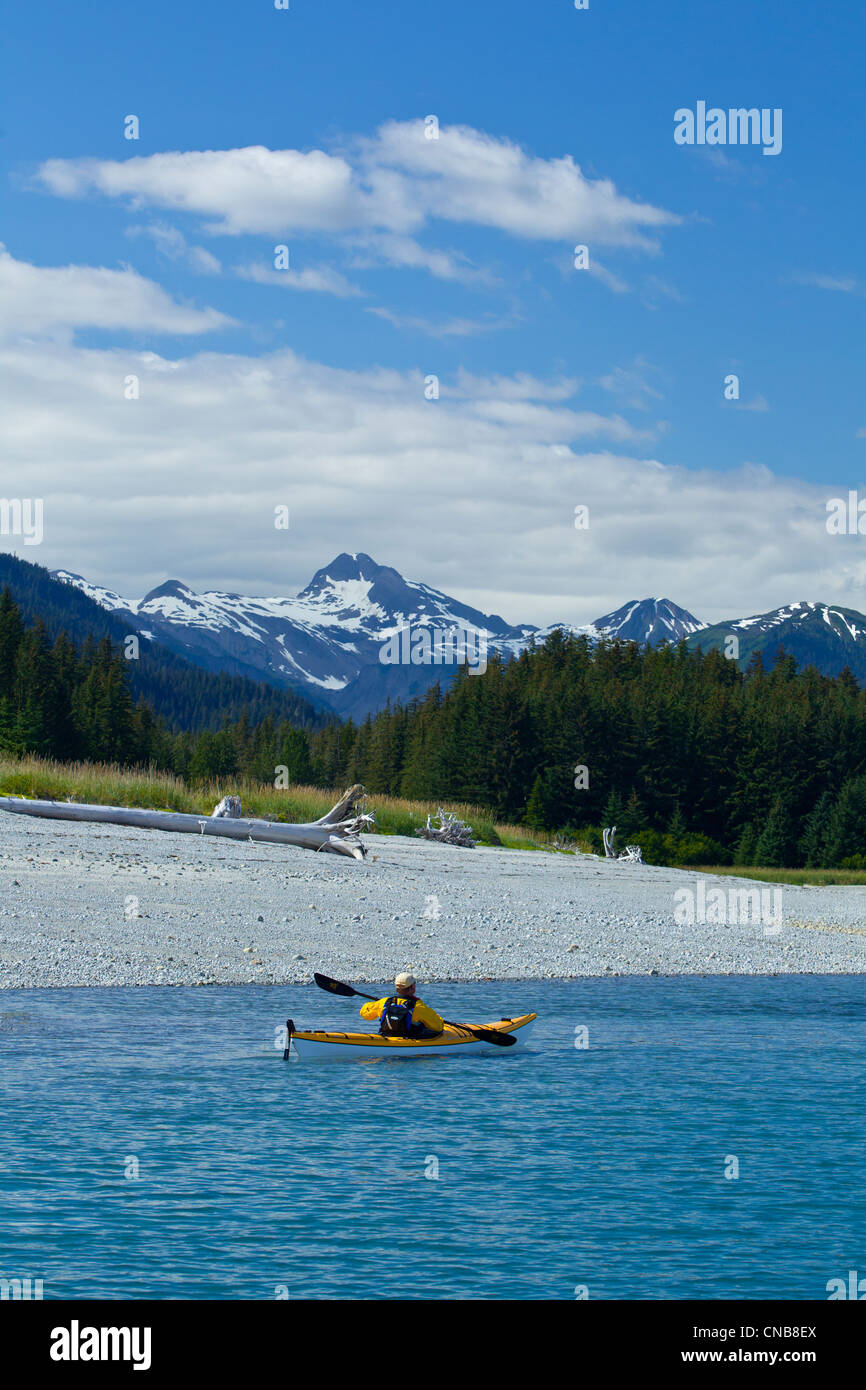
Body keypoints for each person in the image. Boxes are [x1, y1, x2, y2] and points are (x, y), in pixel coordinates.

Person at [360, 972, 444, 1039]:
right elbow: (438, 1027)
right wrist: (438, 1018)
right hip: (410, 1039)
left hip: (387, 1036)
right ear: (412, 988)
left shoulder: (385, 1002)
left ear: (396, 988)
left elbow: (364, 1014)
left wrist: (377, 1005)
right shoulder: (418, 1006)